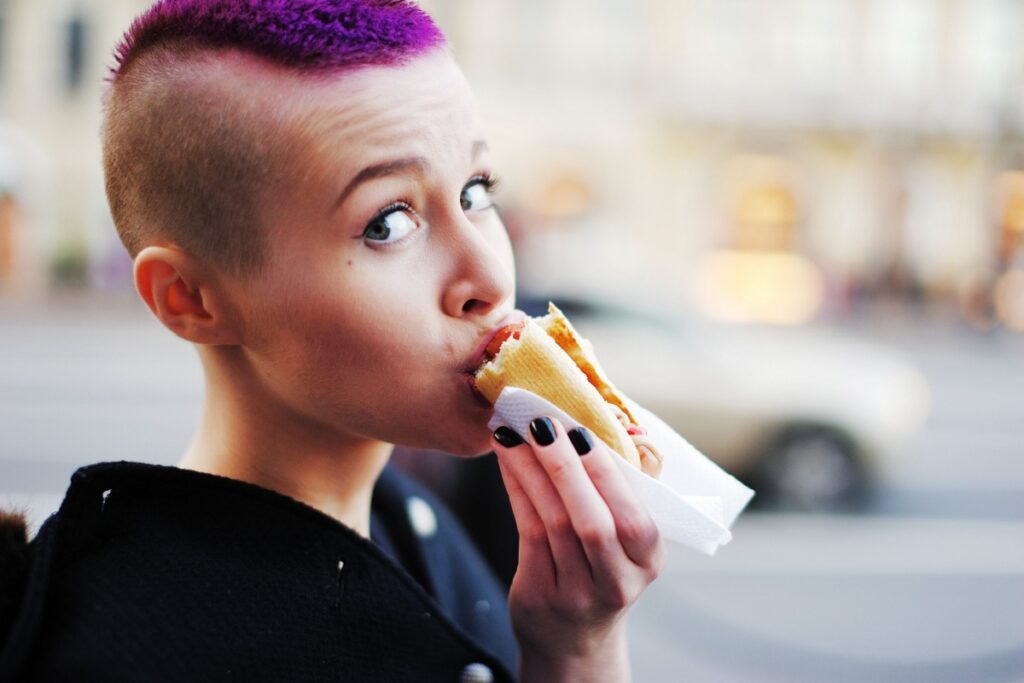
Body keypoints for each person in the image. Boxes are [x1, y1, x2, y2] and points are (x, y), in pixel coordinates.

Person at [0, 1, 663, 680]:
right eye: (389, 222)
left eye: (475, 191)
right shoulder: (126, 649)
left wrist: (576, 647)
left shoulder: (413, 520)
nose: (490, 277)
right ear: (189, 298)